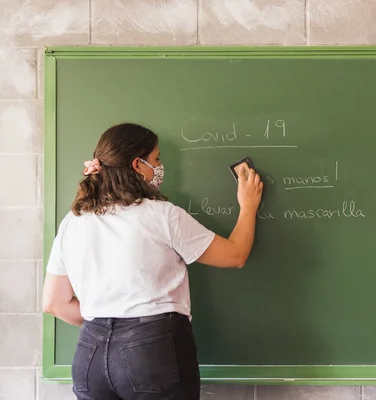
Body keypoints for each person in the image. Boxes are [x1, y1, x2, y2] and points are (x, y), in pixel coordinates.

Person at [42, 122, 263, 400]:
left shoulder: (73, 221)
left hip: (91, 355)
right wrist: (248, 206)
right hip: (151, 352)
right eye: (156, 159)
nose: (160, 166)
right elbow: (235, 255)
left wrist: (108, 330)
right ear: (138, 164)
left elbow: (54, 303)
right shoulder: (162, 215)